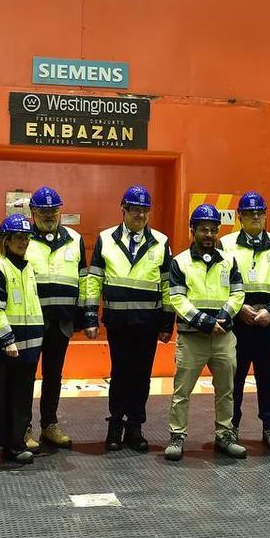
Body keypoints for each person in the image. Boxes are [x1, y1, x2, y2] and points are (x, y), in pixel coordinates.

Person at [87, 185, 173, 452]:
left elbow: (169, 284)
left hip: (148, 324)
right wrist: (91, 315)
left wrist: (167, 322)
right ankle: (115, 425)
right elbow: (94, 279)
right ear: (122, 210)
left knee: (142, 376)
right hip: (118, 323)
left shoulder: (161, 241)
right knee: (119, 374)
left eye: (144, 210)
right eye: (134, 209)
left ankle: (136, 427)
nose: (139, 215)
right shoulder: (105, 239)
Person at [164, 204, 248, 461]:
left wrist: (224, 316)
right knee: (182, 391)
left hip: (224, 337)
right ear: (193, 231)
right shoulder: (180, 262)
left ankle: (225, 435)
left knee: (226, 389)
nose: (208, 235)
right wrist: (205, 322)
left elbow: (238, 293)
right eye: (203, 229)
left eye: (213, 230)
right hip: (192, 339)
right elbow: (177, 299)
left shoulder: (229, 261)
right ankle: (177, 436)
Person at [219, 191, 270, 452]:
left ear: (265, 215)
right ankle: (231, 428)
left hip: (268, 324)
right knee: (234, 378)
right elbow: (220, 281)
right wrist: (238, 309)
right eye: (249, 213)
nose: (255, 217)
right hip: (238, 323)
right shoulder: (225, 244)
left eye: (260, 213)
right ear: (239, 216)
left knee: (267, 377)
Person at [25, 186, 98, 450]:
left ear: (60, 211)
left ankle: (49, 425)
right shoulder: (22, 236)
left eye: (53, 210)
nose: (49, 215)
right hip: (29, 322)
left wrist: (86, 318)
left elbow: (83, 279)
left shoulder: (75, 239)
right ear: (33, 212)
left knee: (53, 376)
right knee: (25, 376)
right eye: (43, 211)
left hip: (61, 321)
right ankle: (23, 428)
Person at [0, 214, 45, 469]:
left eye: (27, 237)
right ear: (5, 240)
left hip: (28, 349)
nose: (23, 242)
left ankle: (15, 445)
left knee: (21, 400)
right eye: (18, 237)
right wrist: (7, 340)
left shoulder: (28, 268)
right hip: (3, 349)